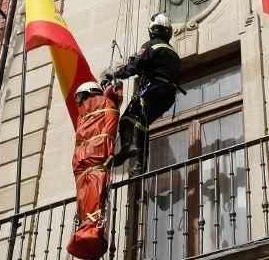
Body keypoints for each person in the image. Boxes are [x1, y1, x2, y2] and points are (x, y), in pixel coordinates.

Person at [106, 13, 182, 177]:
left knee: (128, 119)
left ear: (152, 31)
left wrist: (117, 74)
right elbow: (158, 68)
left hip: (153, 90)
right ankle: (139, 162)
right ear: (168, 33)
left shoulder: (150, 46)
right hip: (168, 97)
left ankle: (129, 149)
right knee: (142, 124)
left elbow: (135, 66)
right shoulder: (173, 53)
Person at [66, 81, 122, 260]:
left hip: (82, 159)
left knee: (86, 194)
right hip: (95, 154)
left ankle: (88, 226)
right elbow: (111, 123)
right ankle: (90, 226)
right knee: (93, 192)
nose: (79, 102)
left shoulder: (84, 114)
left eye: (80, 97)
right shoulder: (106, 104)